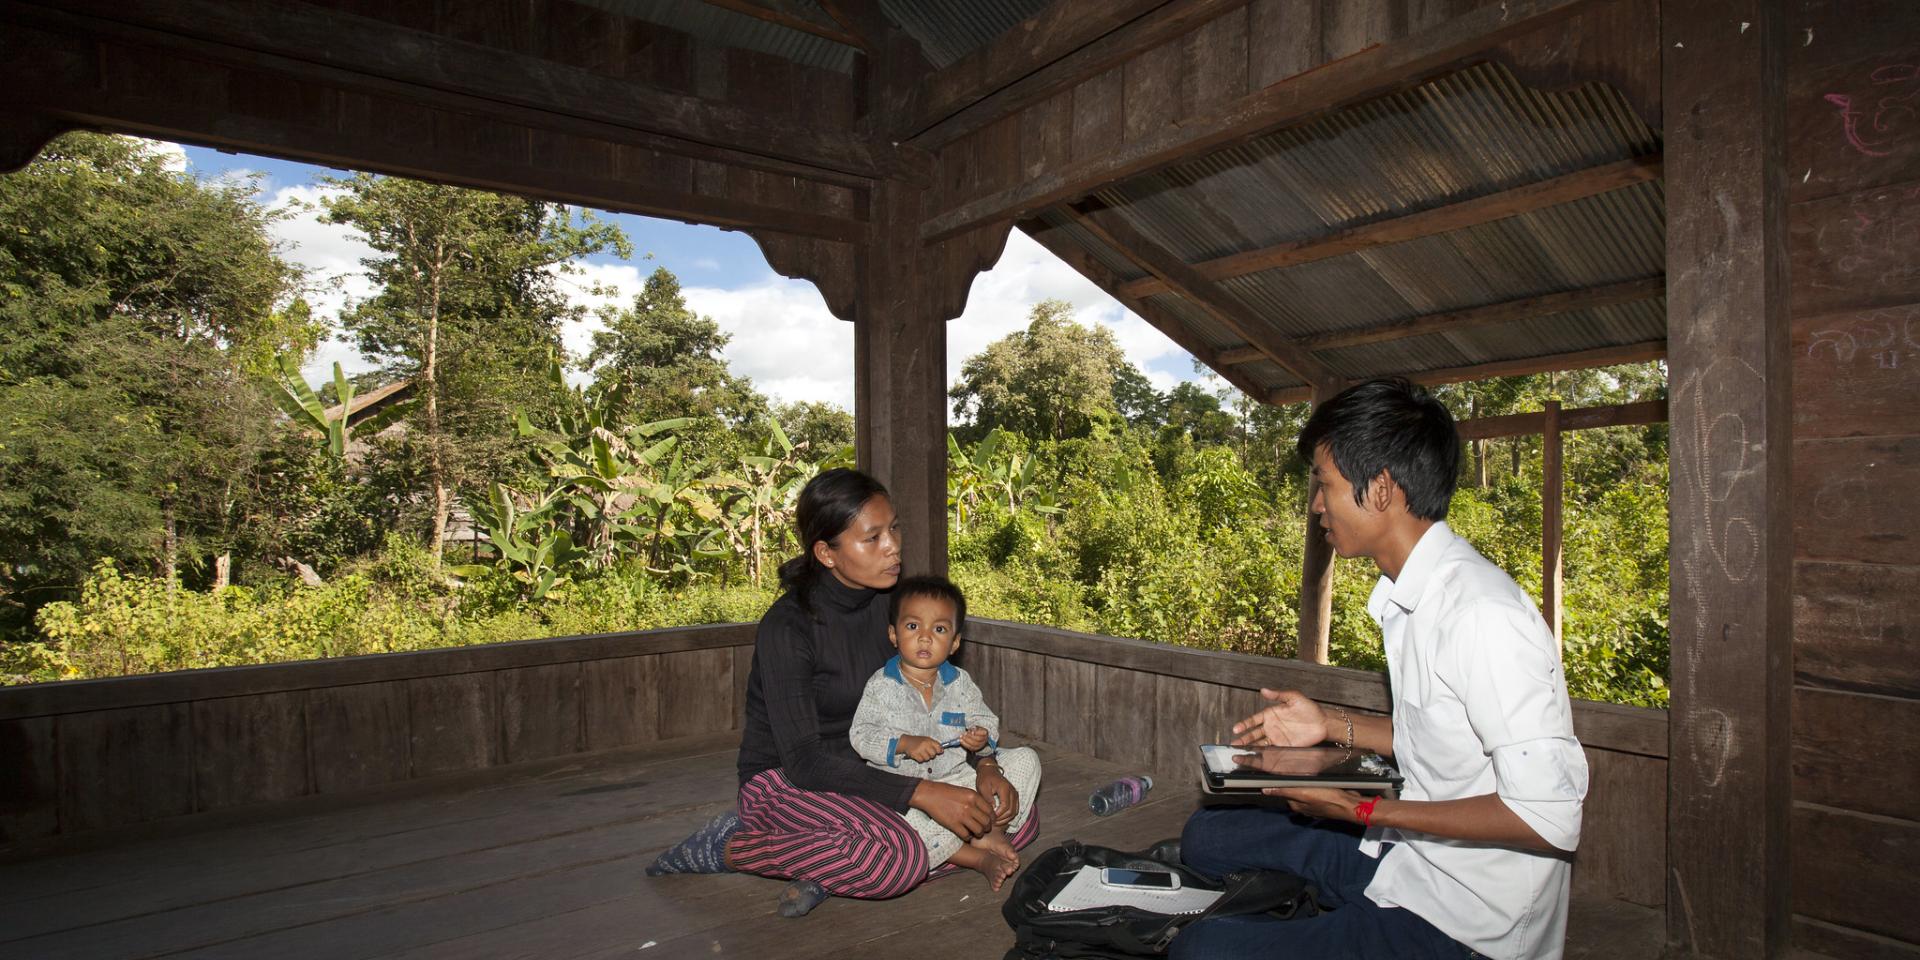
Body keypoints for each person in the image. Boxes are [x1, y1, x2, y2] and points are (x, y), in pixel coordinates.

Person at [1173, 379, 1588, 960]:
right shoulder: (1414, 595)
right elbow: (1448, 740)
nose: (1317, 503)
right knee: (1207, 836)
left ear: (1381, 489)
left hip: (1469, 922)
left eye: (1326, 484)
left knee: (1202, 951)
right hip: (1408, 856)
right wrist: (1329, 724)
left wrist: (1363, 810)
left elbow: (1547, 816)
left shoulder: (1481, 616)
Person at [646, 468, 1036, 917]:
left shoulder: (891, 607)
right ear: (826, 554)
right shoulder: (788, 627)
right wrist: (923, 794)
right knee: (898, 860)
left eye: (893, 528)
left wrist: (985, 763)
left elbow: (950, 705)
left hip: (877, 766)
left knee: (1015, 812)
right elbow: (805, 762)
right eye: (872, 538)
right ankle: (732, 847)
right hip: (787, 780)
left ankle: (832, 860)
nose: (892, 546)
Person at [848, 575, 1042, 890]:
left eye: (939, 629)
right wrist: (903, 744)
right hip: (908, 791)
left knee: (1026, 760)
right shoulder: (880, 686)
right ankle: (977, 857)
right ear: (893, 635)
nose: (925, 638)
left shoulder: (959, 682)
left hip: (958, 778)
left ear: (954, 642)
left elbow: (984, 718)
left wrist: (981, 738)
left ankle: (992, 830)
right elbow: (861, 735)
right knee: (902, 829)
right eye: (913, 627)